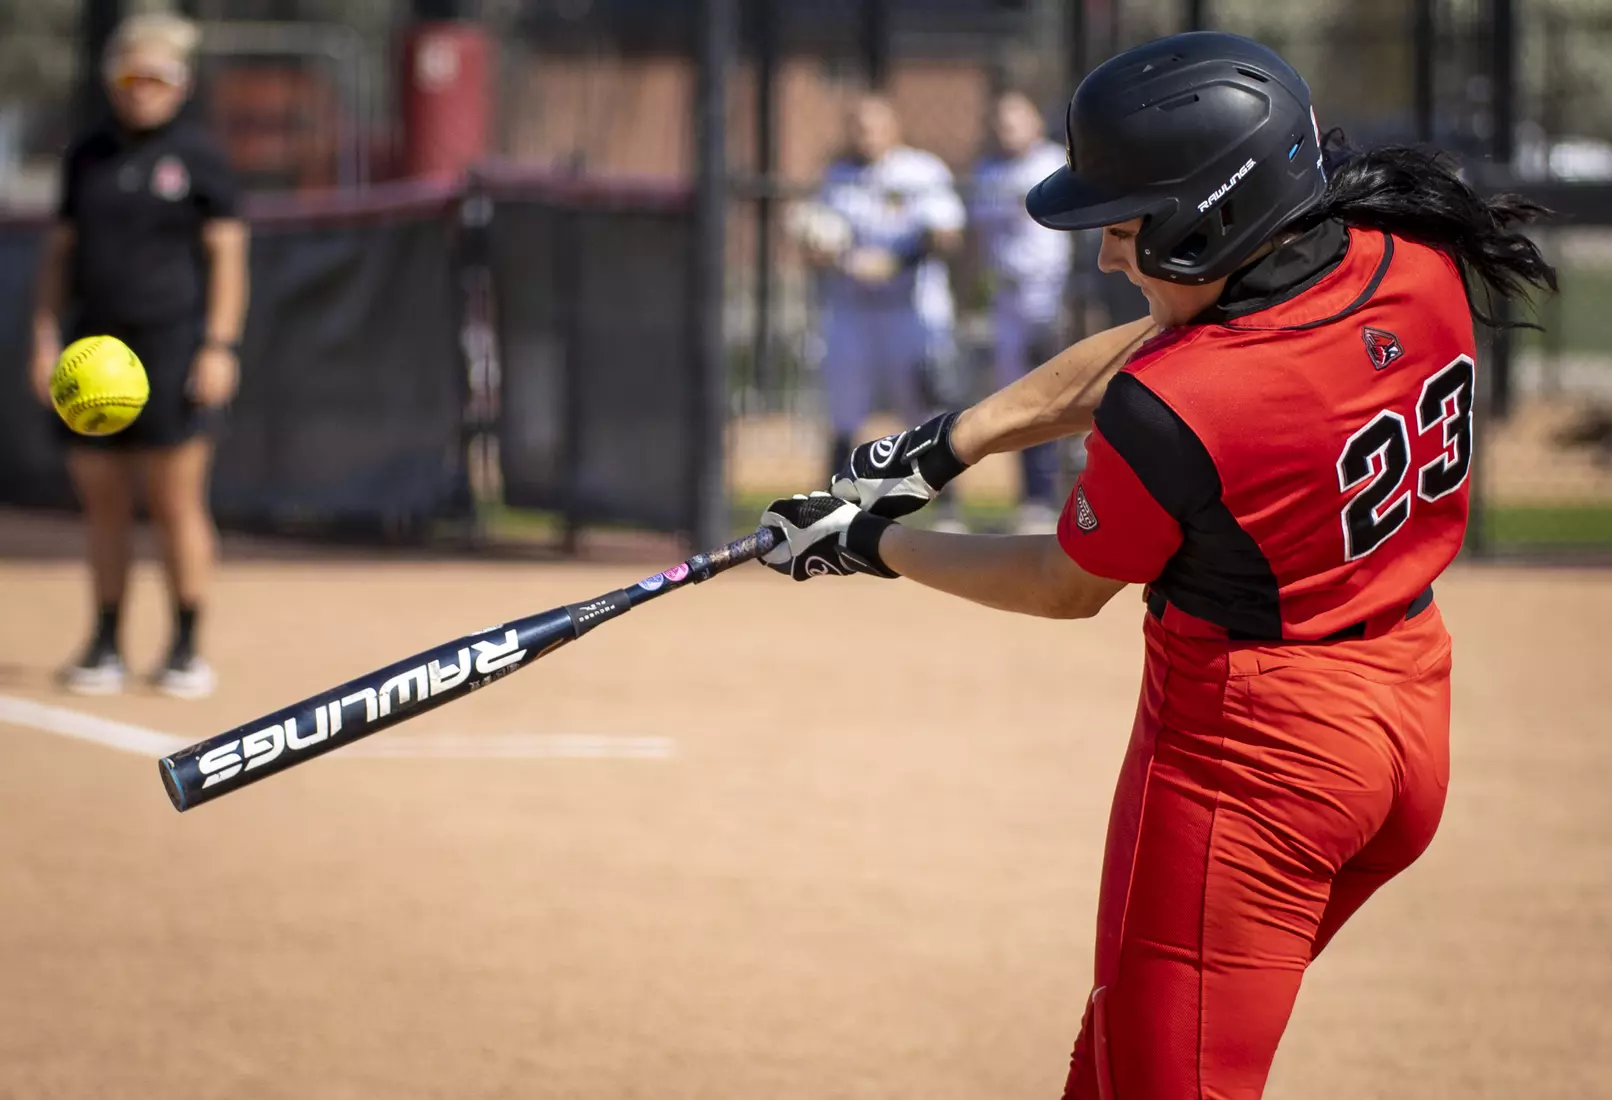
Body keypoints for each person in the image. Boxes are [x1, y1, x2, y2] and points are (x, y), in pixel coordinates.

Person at [756, 31, 1555, 1100]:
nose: (1104, 255)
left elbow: (1064, 582)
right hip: (1406, 720)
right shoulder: (1403, 255)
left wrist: (871, 543)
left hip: (1256, 762)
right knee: (1122, 1058)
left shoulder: (1185, 404)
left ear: (1208, 221)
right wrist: (953, 442)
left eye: (1125, 229)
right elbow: (1188, 338)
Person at [29, 12, 248, 699]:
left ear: (181, 84)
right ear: (111, 79)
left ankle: (184, 644)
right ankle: (104, 641)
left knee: (177, 501)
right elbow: (59, 254)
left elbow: (229, 257)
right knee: (103, 505)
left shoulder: (201, 157)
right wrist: (43, 335)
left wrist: (218, 345)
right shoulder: (87, 154)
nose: (142, 89)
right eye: (130, 75)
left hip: (173, 346)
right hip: (92, 352)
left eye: (157, 77)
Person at [800, 94, 967, 528]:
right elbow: (818, 236)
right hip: (852, 309)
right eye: (857, 127)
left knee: (924, 408)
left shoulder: (920, 169)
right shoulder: (838, 176)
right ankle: (831, 508)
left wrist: (895, 261)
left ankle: (946, 509)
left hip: (911, 309)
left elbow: (947, 232)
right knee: (843, 406)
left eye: (873, 126)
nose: (865, 136)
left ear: (894, 127)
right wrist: (822, 249)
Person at [968, 90, 1074, 534]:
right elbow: (977, 238)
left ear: (1034, 123)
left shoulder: (1053, 161)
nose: (1007, 131)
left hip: (1049, 296)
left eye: (1016, 121)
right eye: (1001, 123)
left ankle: (1053, 496)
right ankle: (1032, 499)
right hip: (1006, 301)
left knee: (1058, 399)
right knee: (1019, 398)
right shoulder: (987, 171)